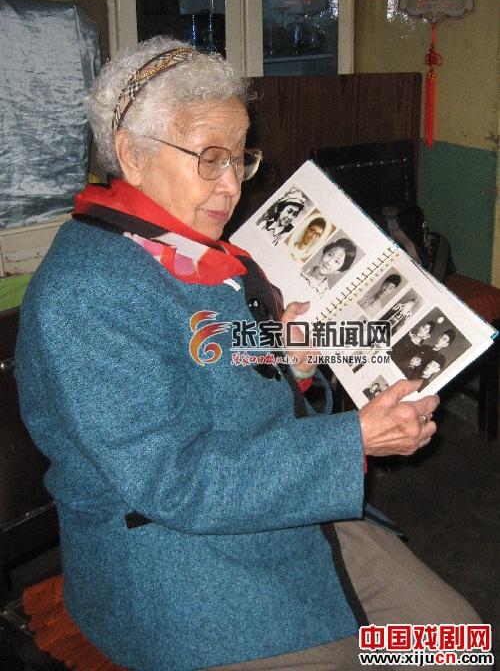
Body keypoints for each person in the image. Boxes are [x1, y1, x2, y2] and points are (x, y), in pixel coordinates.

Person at [15, 37, 485, 671]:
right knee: (370, 659)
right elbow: (173, 480)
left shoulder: (183, 246)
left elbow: (202, 352)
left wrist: (288, 358)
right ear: (131, 154)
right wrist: (353, 441)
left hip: (279, 507)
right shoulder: (87, 291)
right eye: (210, 159)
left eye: (240, 159)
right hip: (178, 560)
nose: (232, 186)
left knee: (458, 642)